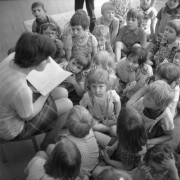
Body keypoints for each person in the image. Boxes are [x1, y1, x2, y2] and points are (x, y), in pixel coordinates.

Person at [0, 32, 73, 150]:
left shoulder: (12, 57)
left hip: (9, 109)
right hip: (11, 128)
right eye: (46, 58)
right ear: (34, 61)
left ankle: (54, 127)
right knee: (68, 104)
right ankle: (46, 143)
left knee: (63, 93)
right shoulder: (21, 88)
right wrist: (45, 93)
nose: (49, 61)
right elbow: (28, 116)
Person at [92, 106, 147, 178]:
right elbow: (120, 139)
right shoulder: (134, 134)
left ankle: (105, 164)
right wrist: (112, 148)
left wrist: (108, 161)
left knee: (96, 172)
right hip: (120, 152)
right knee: (96, 134)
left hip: (125, 169)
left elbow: (127, 167)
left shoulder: (129, 151)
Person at [50, 105, 99, 178]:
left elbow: (57, 145)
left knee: (50, 148)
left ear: (68, 125)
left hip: (80, 172)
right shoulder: (90, 132)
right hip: (94, 165)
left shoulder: (65, 142)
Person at [133, 80, 174, 148]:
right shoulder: (141, 101)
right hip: (137, 130)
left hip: (150, 139)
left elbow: (169, 136)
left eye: (149, 98)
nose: (144, 96)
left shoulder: (166, 117)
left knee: (142, 149)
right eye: (146, 93)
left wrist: (149, 142)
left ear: (159, 105)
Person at [80, 69, 121, 133]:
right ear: (89, 85)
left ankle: (110, 127)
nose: (97, 90)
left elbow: (117, 101)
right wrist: (87, 116)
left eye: (101, 86)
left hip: (110, 116)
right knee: (93, 126)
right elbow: (82, 107)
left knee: (119, 120)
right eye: (94, 86)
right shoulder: (87, 96)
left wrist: (118, 113)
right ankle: (108, 129)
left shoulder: (111, 93)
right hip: (95, 118)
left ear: (106, 85)